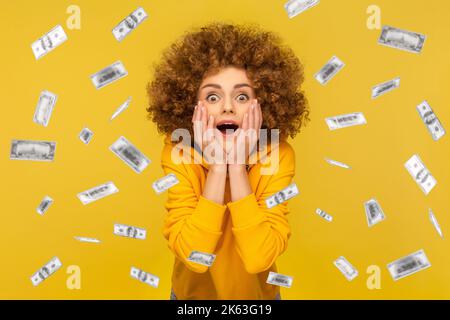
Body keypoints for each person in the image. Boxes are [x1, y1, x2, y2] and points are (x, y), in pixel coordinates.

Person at [146, 23, 309, 300]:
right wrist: (219, 167)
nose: (228, 106)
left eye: (242, 96)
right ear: (190, 106)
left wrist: (236, 167)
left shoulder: (278, 154)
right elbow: (195, 258)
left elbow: (260, 258)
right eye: (212, 96)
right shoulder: (178, 152)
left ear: (263, 103)